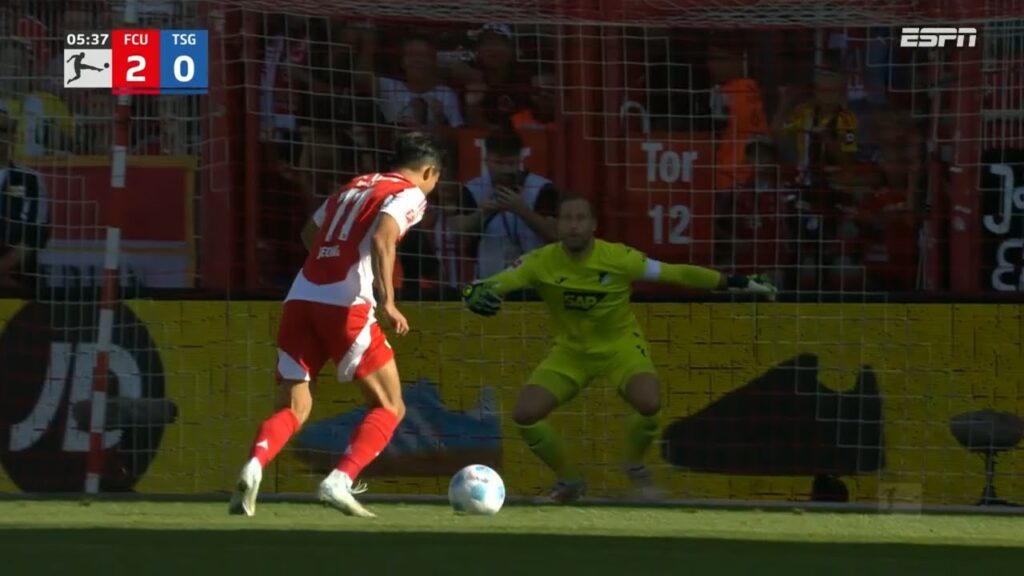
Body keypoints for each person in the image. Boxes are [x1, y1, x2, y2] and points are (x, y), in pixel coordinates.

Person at [461, 194, 776, 502]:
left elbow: (676, 272)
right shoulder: (538, 262)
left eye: (580, 218)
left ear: (593, 225)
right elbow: (493, 284)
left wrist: (736, 282)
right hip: (571, 353)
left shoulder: (619, 258)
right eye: (567, 219)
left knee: (649, 403)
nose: (574, 226)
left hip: (620, 347)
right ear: (556, 225)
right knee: (525, 415)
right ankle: (570, 481)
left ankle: (634, 465)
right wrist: (471, 293)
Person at [229, 132, 444, 518]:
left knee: (295, 405)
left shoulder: (354, 185)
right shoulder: (410, 193)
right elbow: (383, 238)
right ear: (429, 172)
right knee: (390, 405)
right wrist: (387, 301)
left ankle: (255, 464)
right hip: (346, 304)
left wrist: (331, 259)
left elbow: (309, 233)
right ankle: (340, 480)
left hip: (300, 296)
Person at [0, 102, 50, 291]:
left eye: (3, 130)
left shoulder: (30, 180)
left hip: (16, 276)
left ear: (14, 138)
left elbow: (35, 235)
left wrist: (2, 268)